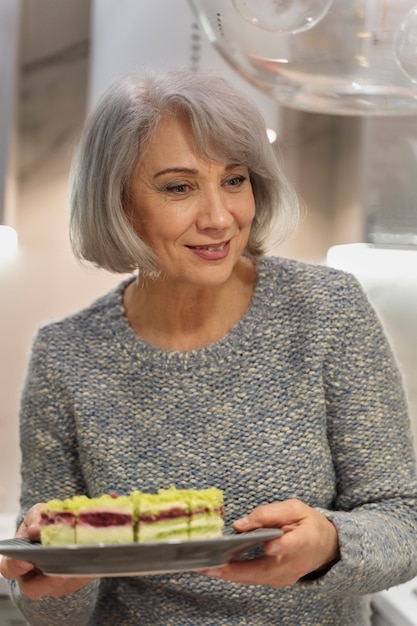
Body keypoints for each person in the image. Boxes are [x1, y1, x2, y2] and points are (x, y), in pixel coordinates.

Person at [1, 67, 417, 626]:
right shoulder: (66, 357)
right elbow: (53, 606)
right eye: (179, 187)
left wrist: (330, 544)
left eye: (234, 180)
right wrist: (57, 584)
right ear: (120, 203)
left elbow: (403, 520)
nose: (220, 218)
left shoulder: (326, 309)